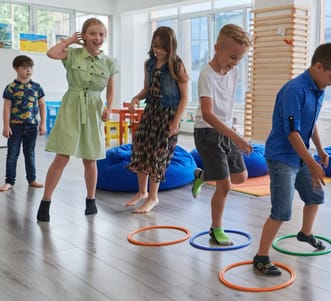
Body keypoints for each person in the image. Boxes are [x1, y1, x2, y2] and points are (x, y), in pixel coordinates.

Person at [252, 42, 331, 275]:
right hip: (282, 157)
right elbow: (292, 133)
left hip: (301, 155)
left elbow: (310, 123)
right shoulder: (294, 90)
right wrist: (313, 163)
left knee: (316, 195)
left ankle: (305, 233)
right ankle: (261, 256)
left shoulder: (318, 89)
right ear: (318, 67)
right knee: (282, 211)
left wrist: (320, 150)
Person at [36, 18, 118, 222]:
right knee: (61, 157)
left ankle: (91, 200)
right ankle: (46, 201)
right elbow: (51, 53)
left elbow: (110, 90)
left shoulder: (109, 62)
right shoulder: (72, 54)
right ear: (84, 35)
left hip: (93, 109)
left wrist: (108, 107)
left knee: (90, 159)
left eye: (101, 34)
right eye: (92, 33)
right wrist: (69, 40)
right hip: (71, 106)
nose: (97, 38)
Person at [190, 24, 253, 245]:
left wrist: (234, 130)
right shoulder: (206, 75)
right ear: (218, 48)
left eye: (239, 59)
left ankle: (203, 175)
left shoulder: (233, 71)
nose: (235, 63)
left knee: (240, 178)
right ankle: (216, 229)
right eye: (233, 57)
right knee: (224, 185)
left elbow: (226, 104)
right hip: (207, 132)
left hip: (226, 129)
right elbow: (208, 114)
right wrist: (236, 137)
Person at [125, 26, 188, 213]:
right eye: (155, 46)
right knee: (140, 149)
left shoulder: (177, 65)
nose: (157, 50)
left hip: (168, 115)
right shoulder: (149, 64)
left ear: (170, 47)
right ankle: (142, 192)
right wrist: (136, 98)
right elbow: (147, 89)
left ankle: (153, 197)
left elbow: (184, 97)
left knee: (157, 155)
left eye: (162, 47)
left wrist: (175, 122)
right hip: (150, 112)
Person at [0, 55, 47, 192]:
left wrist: (43, 124)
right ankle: (9, 181)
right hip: (15, 125)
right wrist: (6, 126)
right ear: (16, 69)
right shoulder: (11, 88)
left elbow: (42, 106)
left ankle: (32, 179)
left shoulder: (37, 87)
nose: (28, 70)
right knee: (13, 153)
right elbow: (6, 107)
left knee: (29, 153)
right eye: (24, 68)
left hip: (32, 125)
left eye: (30, 67)